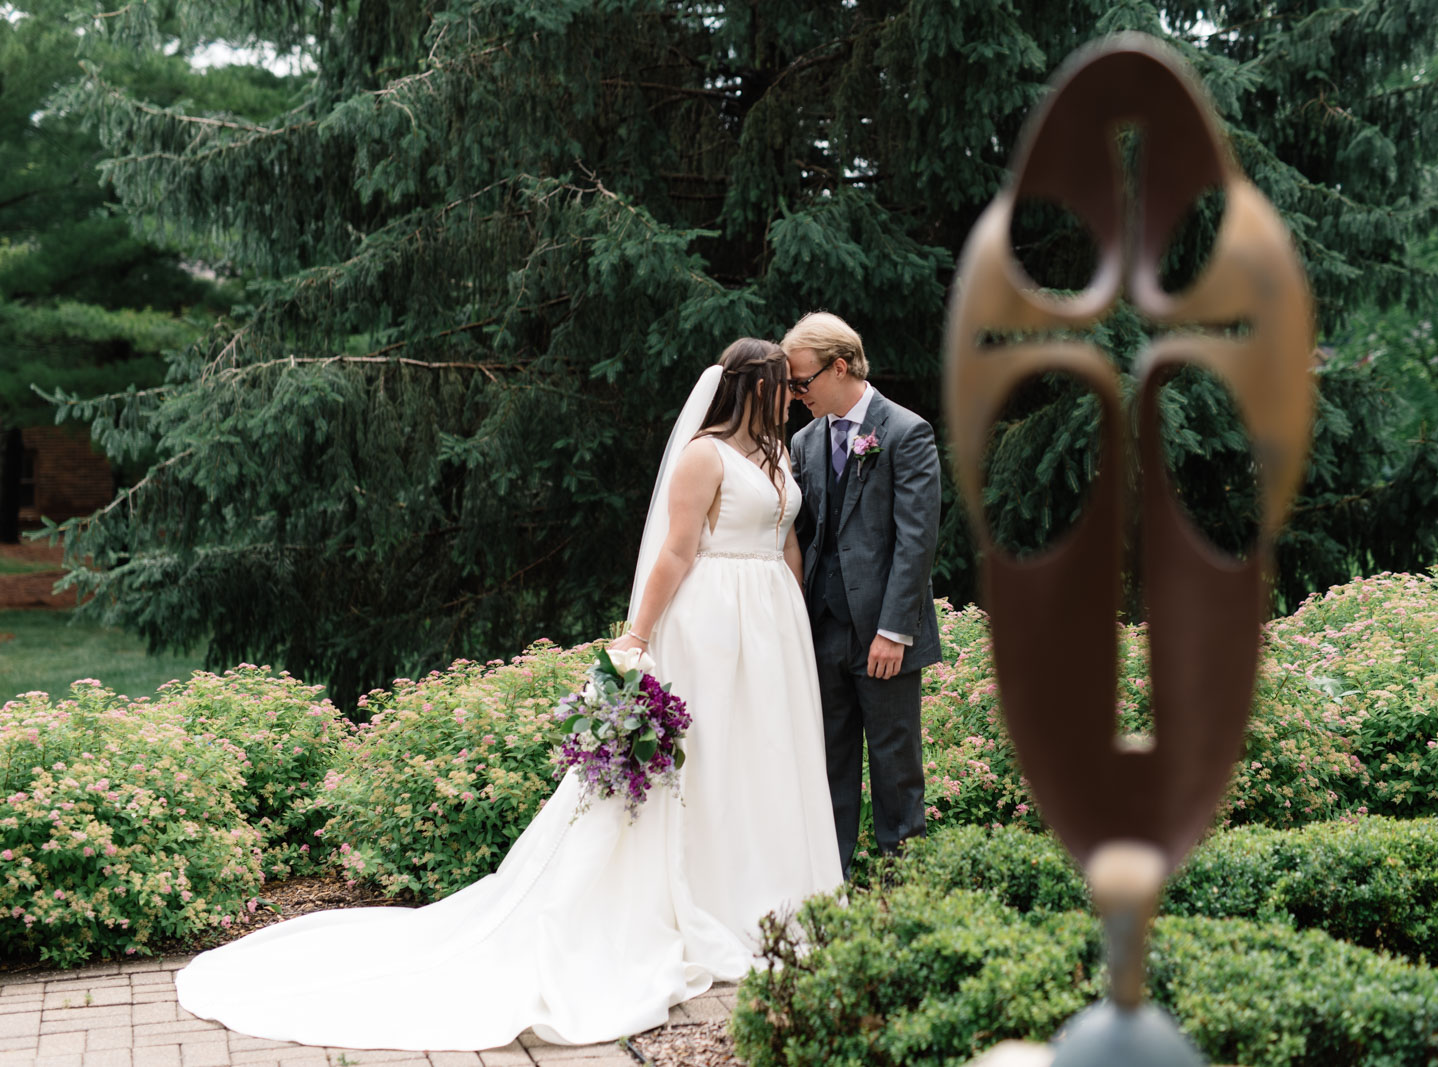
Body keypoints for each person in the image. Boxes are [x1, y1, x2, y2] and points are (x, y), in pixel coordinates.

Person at [174, 338, 842, 1051]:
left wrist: (788, 612)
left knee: (761, 760)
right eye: (782, 385)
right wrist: (637, 637)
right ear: (753, 386)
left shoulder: (780, 456)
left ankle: (762, 896)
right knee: (708, 762)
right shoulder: (704, 455)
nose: (793, 395)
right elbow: (677, 551)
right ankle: (706, 901)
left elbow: (787, 540)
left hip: (772, 625)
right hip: (712, 623)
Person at [782, 312, 942, 879]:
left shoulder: (905, 432)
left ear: (840, 366)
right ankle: (834, 887)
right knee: (830, 764)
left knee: (896, 769)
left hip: (884, 635)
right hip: (822, 631)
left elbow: (916, 541)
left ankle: (905, 895)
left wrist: (894, 631)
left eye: (802, 382)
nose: (795, 394)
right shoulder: (803, 441)